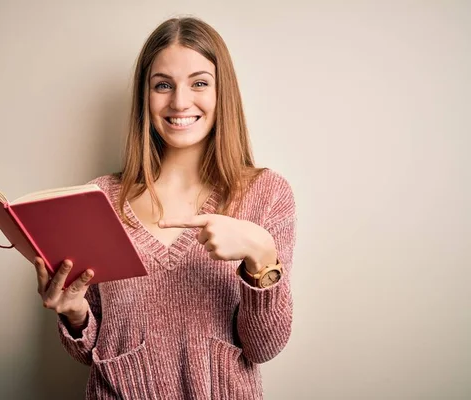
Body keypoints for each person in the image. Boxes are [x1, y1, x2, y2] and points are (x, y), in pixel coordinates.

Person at [33, 16, 297, 400]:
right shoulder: (99, 198)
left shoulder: (266, 193)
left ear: (223, 93)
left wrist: (261, 254)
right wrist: (74, 314)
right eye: (163, 86)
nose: (179, 102)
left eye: (200, 83)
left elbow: (264, 348)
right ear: (146, 95)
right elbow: (90, 353)